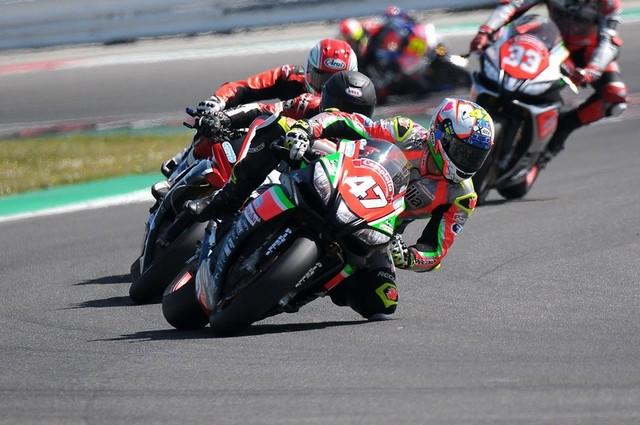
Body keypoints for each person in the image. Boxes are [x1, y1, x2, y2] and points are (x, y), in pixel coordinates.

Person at [187, 96, 495, 320]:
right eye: (463, 151)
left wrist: (409, 256)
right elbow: (351, 122)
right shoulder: (405, 133)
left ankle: (300, 289)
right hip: (340, 179)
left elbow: (436, 251)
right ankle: (226, 200)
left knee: (383, 302)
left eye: (476, 156)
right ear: (440, 134)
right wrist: (307, 130)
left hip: (377, 230)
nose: (468, 162)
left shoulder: (461, 196)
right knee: (282, 129)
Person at [160, 38, 359, 177]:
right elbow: (244, 88)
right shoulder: (290, 77)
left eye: (334, 81)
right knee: (215, 124)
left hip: (308, 158)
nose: (326, 88)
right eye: (321, 78)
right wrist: (217, 101)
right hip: (271, 133)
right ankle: (183, 166)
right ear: (308, 70)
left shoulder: (357, 101)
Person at [469, 0, 627, 167]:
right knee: (501, 51)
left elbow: (608, 42)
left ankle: (563, 128)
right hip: (549, 42)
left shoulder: (608, 3)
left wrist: (593, 69)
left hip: (584, 52)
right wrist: (486, 30)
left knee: (615, 95)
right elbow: (513, 4)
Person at [339, 5, 444, 100]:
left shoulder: (375, 30)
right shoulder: (363, 45)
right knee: (400, 77)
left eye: (349, 37)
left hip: (409, 49)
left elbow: (392, 20)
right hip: (399, 60)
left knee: (409, 72)